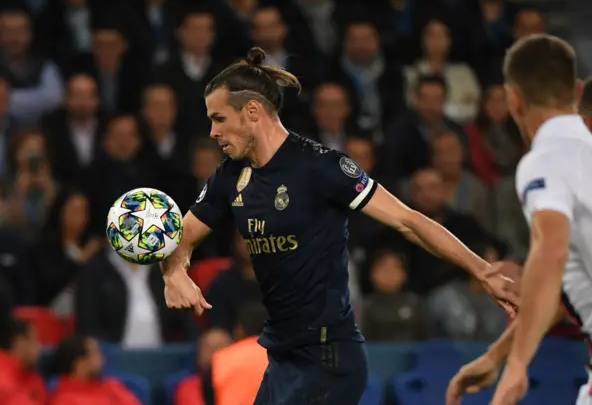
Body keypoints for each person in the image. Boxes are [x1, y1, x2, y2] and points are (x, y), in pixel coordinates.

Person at [161, 46, 517, 405]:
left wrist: (483, 270)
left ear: (252, 111)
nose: (212, 132)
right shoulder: (229, 177)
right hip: (282, 357)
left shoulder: (322, 167)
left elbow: (408, 221)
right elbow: (183, 238)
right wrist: (173, 273)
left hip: (329, 357)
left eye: (219, 118)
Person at [445, 34, 592, 405]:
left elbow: (552, 253)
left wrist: (517, 367)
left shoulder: (545, 159)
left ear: (513, 99)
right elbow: (563, 284)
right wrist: (498, 356)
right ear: (575, 90)